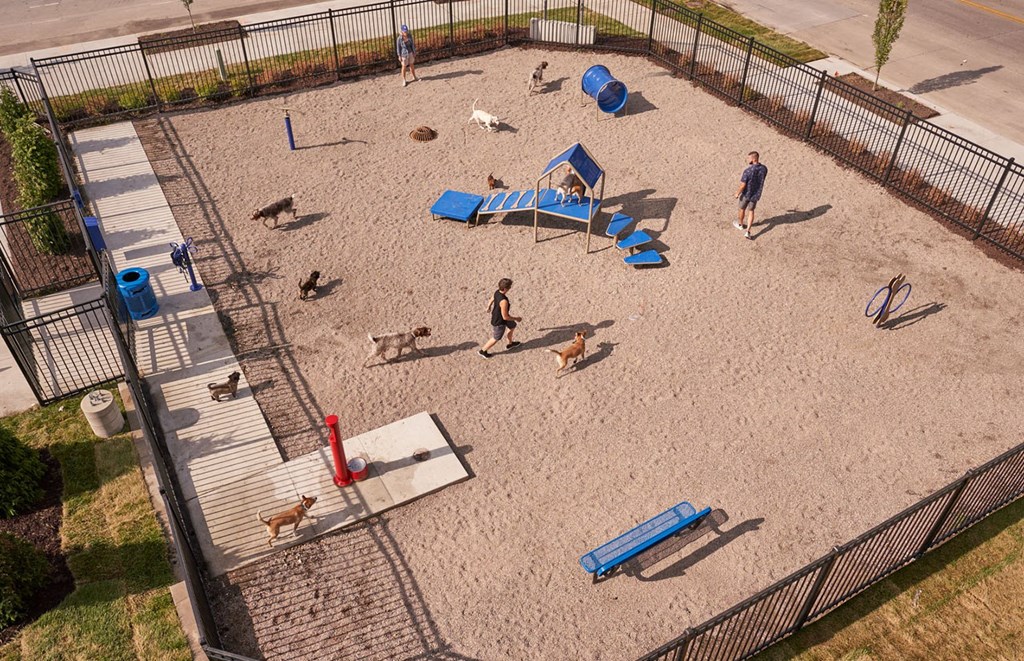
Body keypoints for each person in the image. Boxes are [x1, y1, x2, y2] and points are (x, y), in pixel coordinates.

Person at [478, 278, 522, 359]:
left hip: (503, 318)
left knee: (512, 326)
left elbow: (492, 297)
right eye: (509, 287)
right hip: (499, 322)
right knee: (496, 337)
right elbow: (505, 316)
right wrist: (516, 318)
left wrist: (488, 306)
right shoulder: (504, 301)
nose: (510, 288)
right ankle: (483, 351)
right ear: (505, 289)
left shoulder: (497, 291)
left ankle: (510, 343)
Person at [733, 151, 768, 239]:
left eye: (749, 158)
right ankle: (748, 231)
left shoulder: (748, 171)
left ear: (753, 159)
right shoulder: (764, 169)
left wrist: (737, 193)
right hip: (756, 194)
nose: (748, 159)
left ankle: (741, 224)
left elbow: (743, 185)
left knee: (742, 208)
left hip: (746, 193)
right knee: (751, 211)